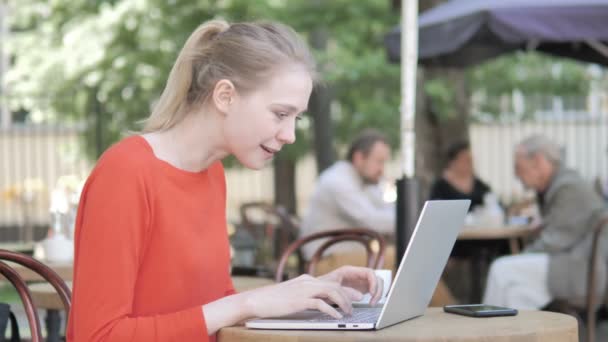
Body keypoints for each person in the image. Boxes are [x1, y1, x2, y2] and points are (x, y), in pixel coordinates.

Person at [67, 20, 383, 341]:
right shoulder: (126, 173)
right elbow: (97, 335)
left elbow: (211, 311)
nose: (289, 135)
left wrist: (307, 294)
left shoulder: (212, 174)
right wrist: (245, 303)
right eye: (280, 114)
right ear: (225, 96)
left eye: (296, 118)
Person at [483, 135, 608, 310]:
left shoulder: (568, 186)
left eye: (518, 167)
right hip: (571, 266)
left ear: (539, 161)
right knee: (516, 295)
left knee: (501, 269)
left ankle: (485, 333)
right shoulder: (562, 184)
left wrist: (518, 259)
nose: (516, 175)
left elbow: (553, 242)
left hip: (583, 272)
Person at [299, 129, 395, 272]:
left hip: (349, 256)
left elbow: (386, 210)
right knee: (403, 258)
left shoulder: (363, 181)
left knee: (404, 256)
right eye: (379, 162)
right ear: (359, 158)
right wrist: (413, 218)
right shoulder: (338, 181)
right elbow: (372, 220)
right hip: (325, 261)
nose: (382, 169)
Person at [429, 141, 491, 211]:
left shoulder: (480, 185)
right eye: (465, 160)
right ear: (452, 162)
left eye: (470, 160)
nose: (470, 163)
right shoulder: (440, 187)